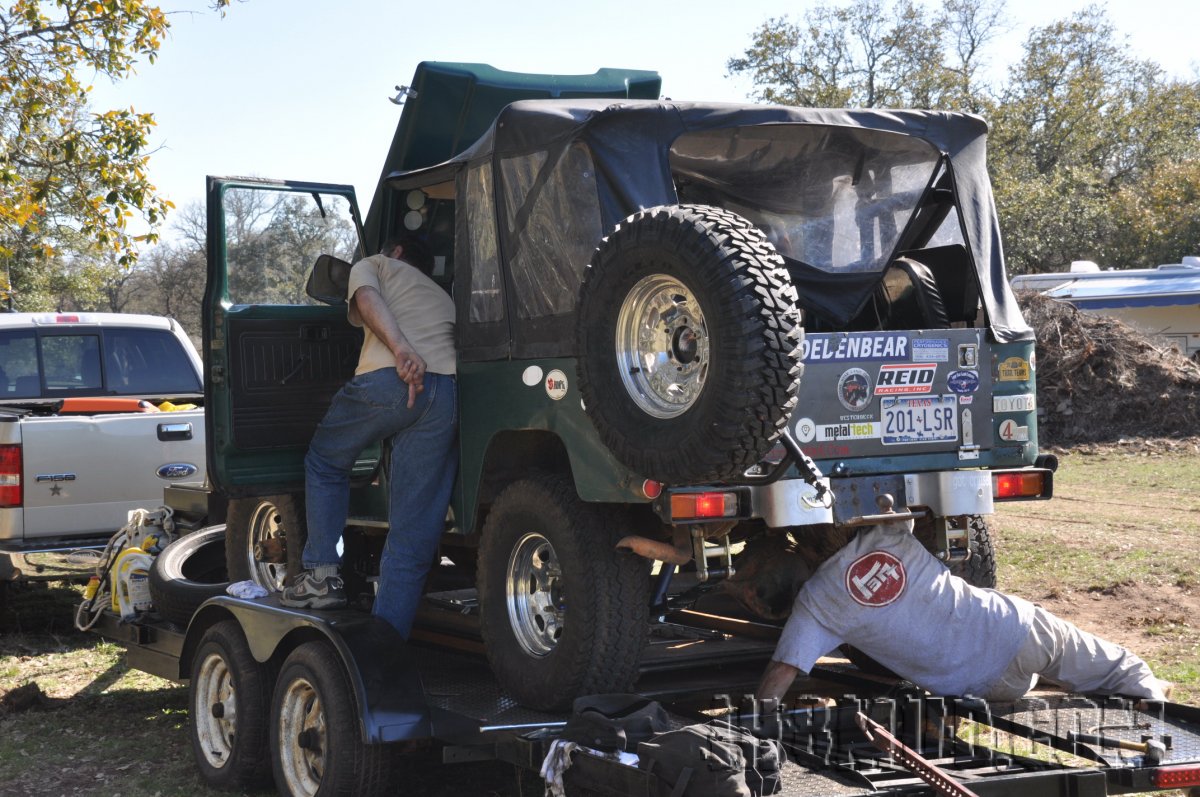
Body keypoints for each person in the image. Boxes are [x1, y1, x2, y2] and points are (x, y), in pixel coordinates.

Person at [756, 497, 1171, 705]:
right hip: (1021, 631)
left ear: (805, 550)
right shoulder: (891, 536)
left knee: (1028, 679)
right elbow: (897, 495)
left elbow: (781, 673)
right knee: (1122, 669)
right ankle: (1161, 714)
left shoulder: (816, 604)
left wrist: (755, 722)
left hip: (986, 687)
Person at [280, 236, 458, 640]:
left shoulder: (377, 264)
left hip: (392, 381)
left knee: (325, 462)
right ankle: (387, 644)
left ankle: (323, 577)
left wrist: (401, 350)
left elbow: (365, 299)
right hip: (445, 394)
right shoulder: (443, 296)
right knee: (411, 537)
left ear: (395, 251)